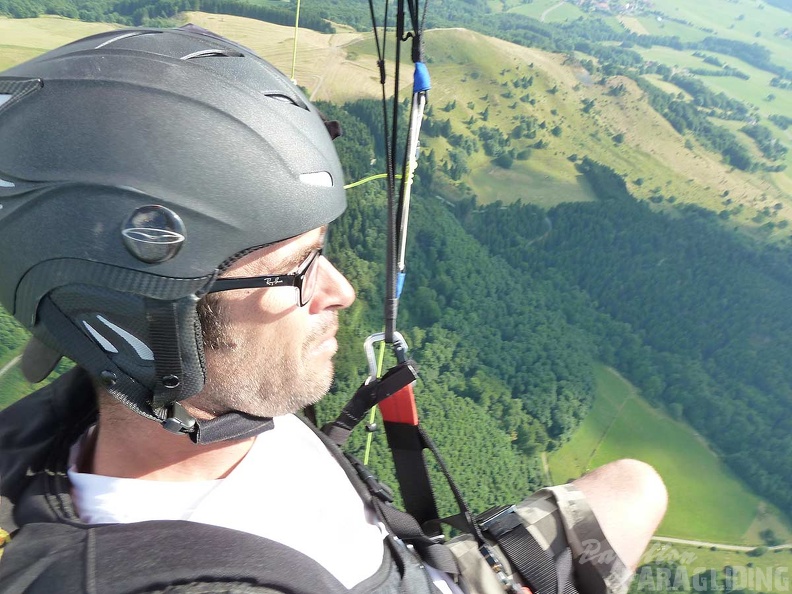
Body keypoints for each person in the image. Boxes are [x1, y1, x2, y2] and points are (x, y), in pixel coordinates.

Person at [0, 25, 667, 594]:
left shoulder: (202, 407)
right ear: (139, 324)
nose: (339, 291)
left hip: (408, 564)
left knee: (636, 488)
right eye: (292, 272)